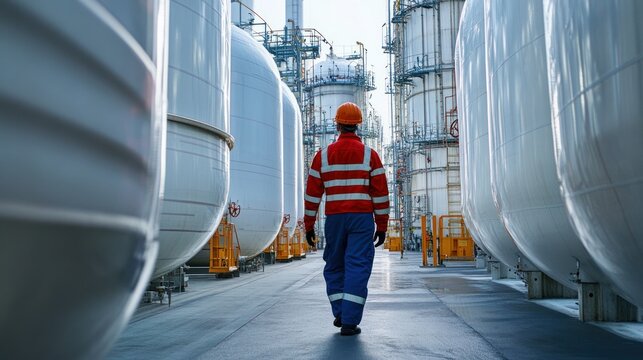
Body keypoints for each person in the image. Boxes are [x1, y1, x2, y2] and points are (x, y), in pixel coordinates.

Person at [304, 102, 390, 336]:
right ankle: (350, 321)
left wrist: (309, 225)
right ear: (358, 126)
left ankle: (340, 312)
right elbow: (381, 194)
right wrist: (382, 226)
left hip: (335, 219)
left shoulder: (321, 157)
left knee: (334, 265)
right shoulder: (370, 155)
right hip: (361, 219)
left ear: (338, 124)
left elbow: (312, 195)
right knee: (357, 265)